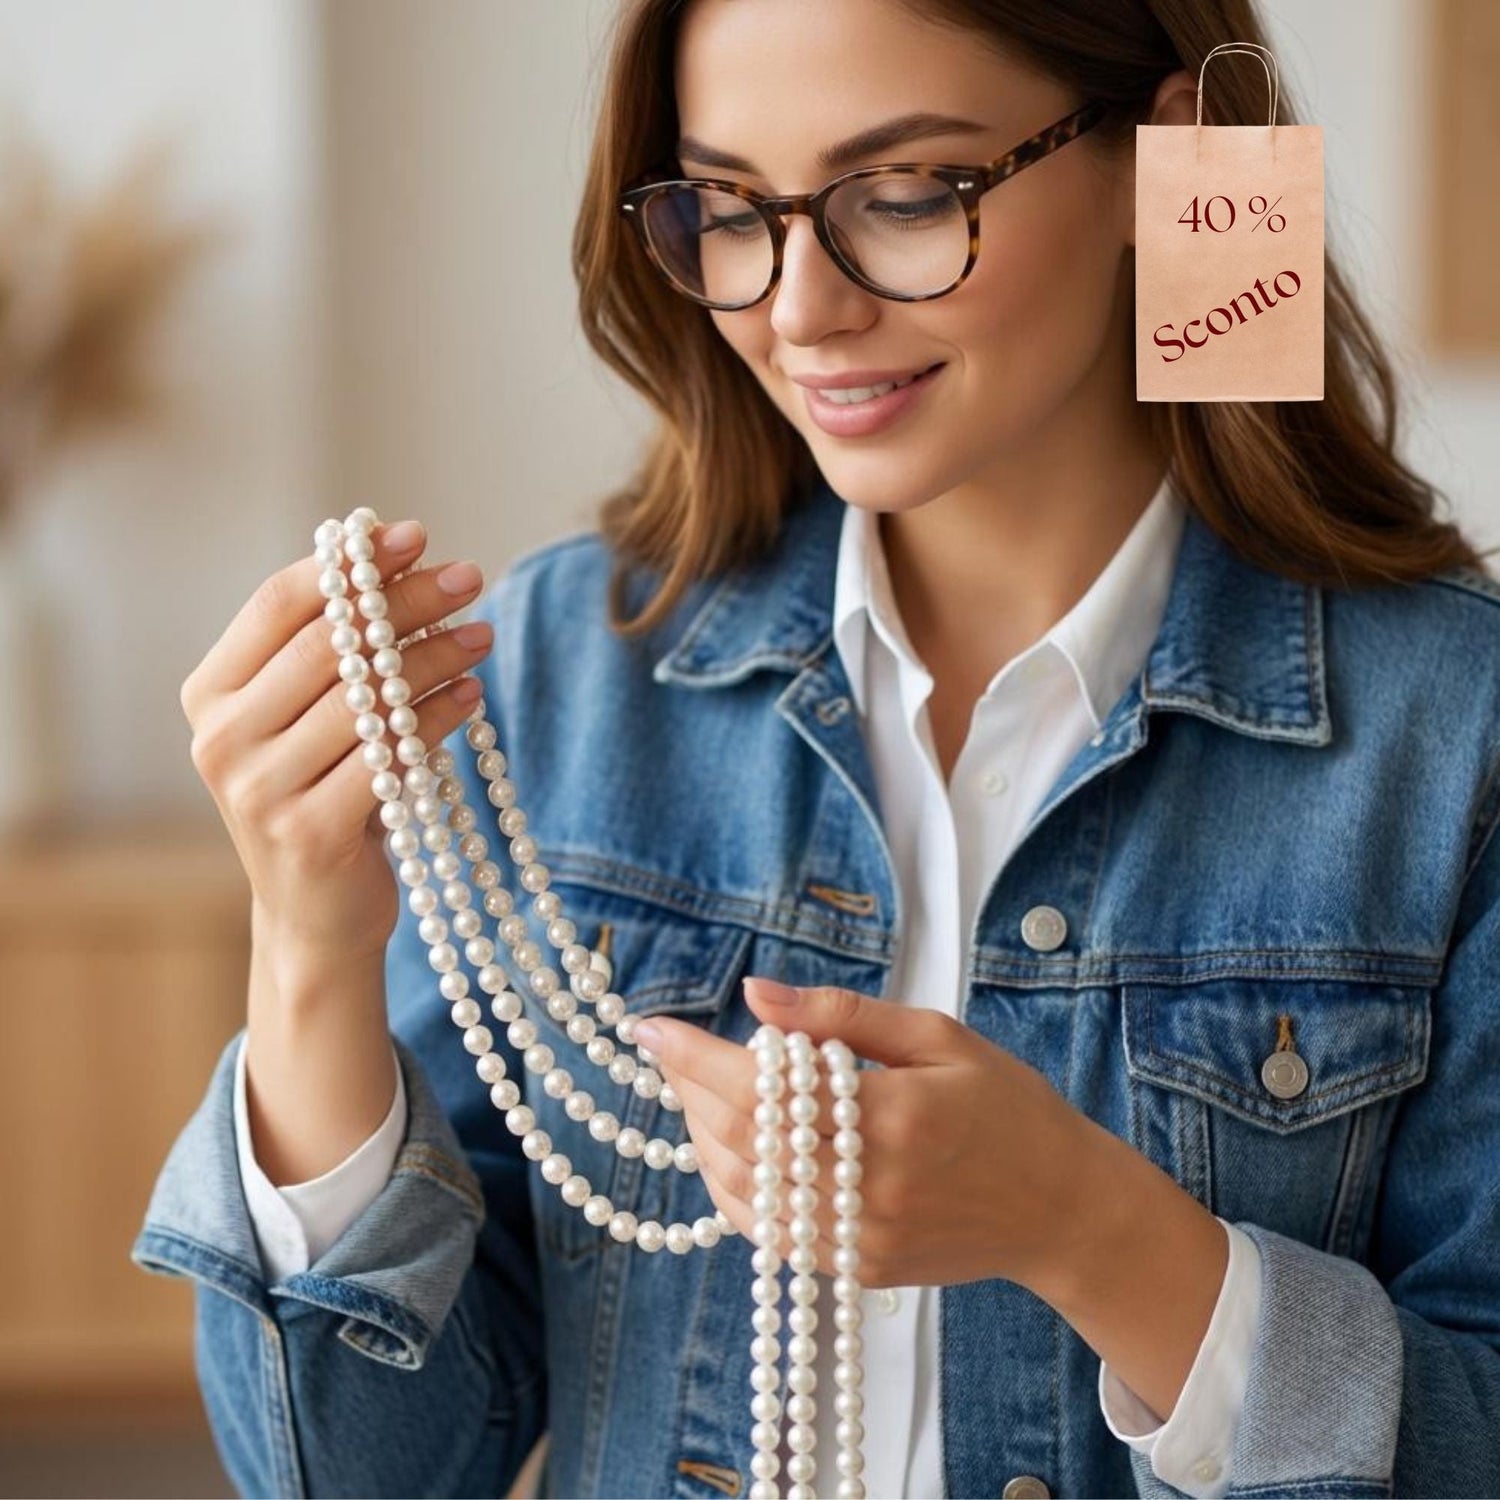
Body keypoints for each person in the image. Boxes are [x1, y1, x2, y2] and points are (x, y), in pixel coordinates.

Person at [133, 1, 1500, 1496]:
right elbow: (350, 1474)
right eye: (727, 211)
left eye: (907, 196)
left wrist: (1095, 1235)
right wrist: (311, 944)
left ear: (1167, 155)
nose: (798, 309)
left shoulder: (1457, 737)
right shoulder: (555, 688)